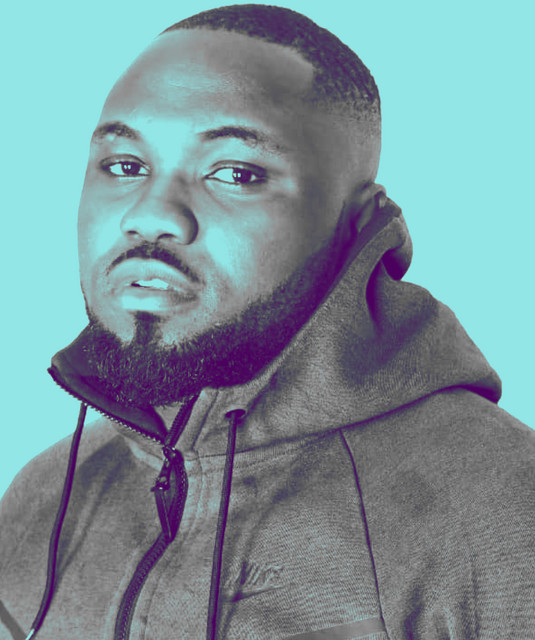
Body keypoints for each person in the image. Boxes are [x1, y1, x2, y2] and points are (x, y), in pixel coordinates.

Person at [0, 4, 533, 639]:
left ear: (356, 221)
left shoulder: (503, 511)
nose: (151, 215)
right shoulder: (45, 493)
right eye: (125, 165)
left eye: (235, 173)